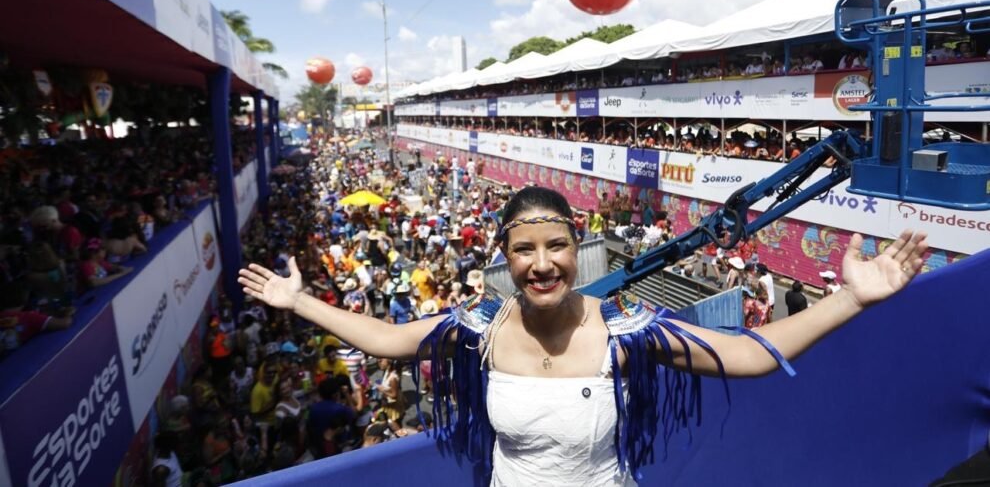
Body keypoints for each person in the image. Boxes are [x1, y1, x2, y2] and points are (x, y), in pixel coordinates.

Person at [240, 186, 927, 486]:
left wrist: (851, 299)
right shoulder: (476, 327)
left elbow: (749, 355)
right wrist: (300, 302)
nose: (542, 264)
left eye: (558, 246)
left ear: (578, 248)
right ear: (504, 260)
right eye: (525, 250)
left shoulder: (628, 332)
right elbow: (388, 340)